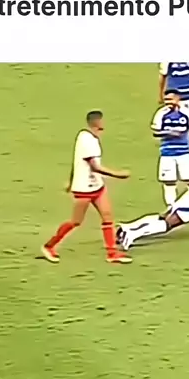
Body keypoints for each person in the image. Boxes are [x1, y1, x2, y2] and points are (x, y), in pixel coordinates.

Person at [42, 110, 132, 264]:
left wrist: (71, 180)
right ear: (98, 122)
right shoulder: (88, 142)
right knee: (75, 221)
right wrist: (119, 175)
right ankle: (49, 246)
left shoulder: (85, 137)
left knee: (107, 217)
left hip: (97, 186)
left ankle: (112, 253)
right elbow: (94, 167)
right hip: (84, 188)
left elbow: (77, 162)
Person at [151, 89, 189, 210]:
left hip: (184, 153)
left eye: (170, 99)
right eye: (166, 100)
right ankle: (171, 208)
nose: (168, 102)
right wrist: (170, 133)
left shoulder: (186, 113)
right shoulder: (161, 114)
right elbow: (155, 132)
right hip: (167, 154)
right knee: (169, 182)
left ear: (177, 99)